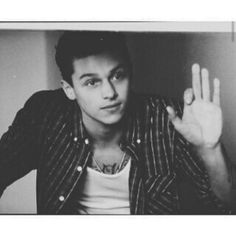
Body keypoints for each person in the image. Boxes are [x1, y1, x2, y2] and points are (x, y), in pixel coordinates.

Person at [0, 31, 235, 214]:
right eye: (92, 82)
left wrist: (211, 150)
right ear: (69, 89)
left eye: (117, 75)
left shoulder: (167, 118)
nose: (110, 92)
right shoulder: (45, 115)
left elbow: (225, 205)